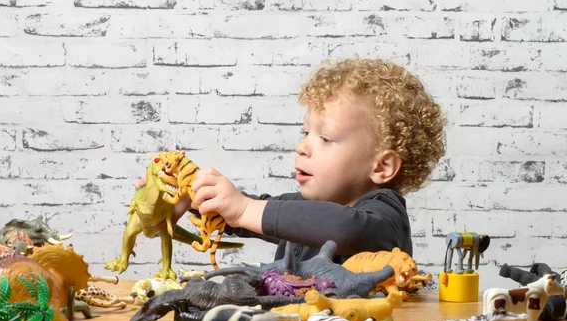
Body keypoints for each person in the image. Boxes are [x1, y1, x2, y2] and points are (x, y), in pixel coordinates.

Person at [171, 57, 446, 264]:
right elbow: (252, 216)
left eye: (325, 138)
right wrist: (194, 196)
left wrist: (243, 208)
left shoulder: (385, 218)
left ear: (382, 166)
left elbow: (345, 228)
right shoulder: (304, 207)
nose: (302, 147)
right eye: (305, 132)